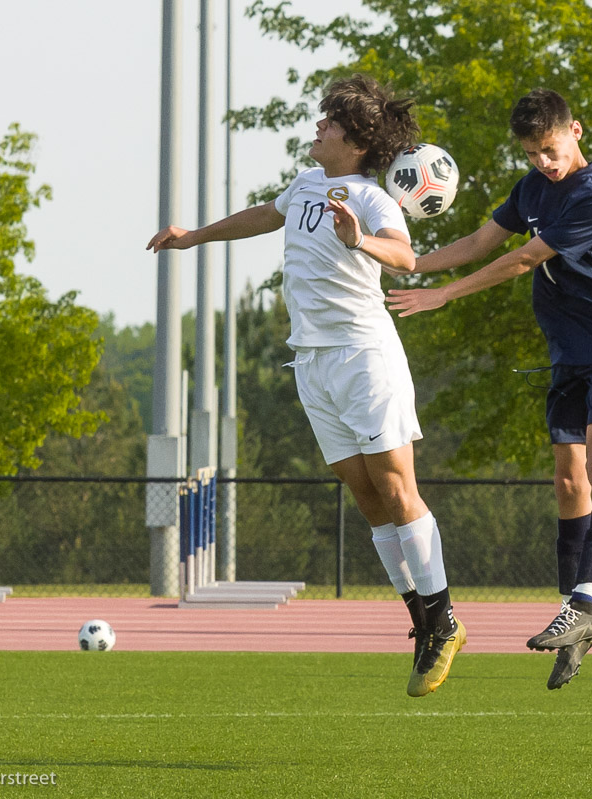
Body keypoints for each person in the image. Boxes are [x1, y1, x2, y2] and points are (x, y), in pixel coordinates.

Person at [147, 75, 465, 698]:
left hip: (364, 356)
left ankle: (445, 617)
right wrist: (194, 236)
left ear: (356, 141)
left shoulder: (373, 199)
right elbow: (264, 216)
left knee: (398, 487)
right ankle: (420, 620)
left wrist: (360, 241)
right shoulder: (304, 186)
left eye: (330, 124)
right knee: (366, 494)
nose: (318, 128)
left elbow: (403, 257)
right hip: (312, 364)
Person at [386, 88, 592, 690]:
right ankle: (574, 613)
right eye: (532, 154)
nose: (543, 163)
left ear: (575, 131)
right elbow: (482, 243)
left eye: (550, 150)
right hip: (566, 356)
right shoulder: (531, 189)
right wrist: (410, 264)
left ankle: (583, 606)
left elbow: (522, 259)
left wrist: (442, 295)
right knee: (566, 481)